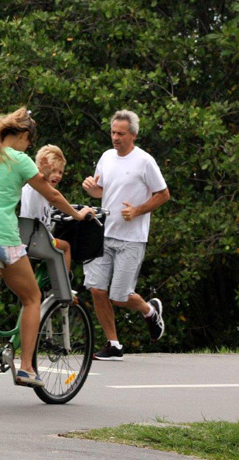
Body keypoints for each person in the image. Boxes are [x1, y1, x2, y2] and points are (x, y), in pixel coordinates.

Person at [0, 107, 94, 388]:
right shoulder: (20, 160)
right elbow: (52, 194)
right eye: (28, 141)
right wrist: (78, 214)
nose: (28, 147)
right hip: (2, 240)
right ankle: (26, 367)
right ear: (21, 135)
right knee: (32, 298)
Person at [82, 109, 170, 361]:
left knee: (119, 296)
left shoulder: (145, 161)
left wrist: (138, 210)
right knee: (97, 289)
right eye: (112, 132)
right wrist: (90, 188)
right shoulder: (107, 157)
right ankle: (113, 344)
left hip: (132, 239)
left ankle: (149, 310)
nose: (115, 137)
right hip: (104, 234)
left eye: (121, 133)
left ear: (133, 135)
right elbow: (101, 192)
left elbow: (163, 194)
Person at [20, 144, 73, 273]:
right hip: (40, 242)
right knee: (66, 247)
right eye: (53, 171)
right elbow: (41, 178)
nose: (58, 175)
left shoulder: (28, 188)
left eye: (60, 172)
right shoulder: (38, 187)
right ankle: (64, 287)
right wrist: (42, 171)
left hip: (25, 239)